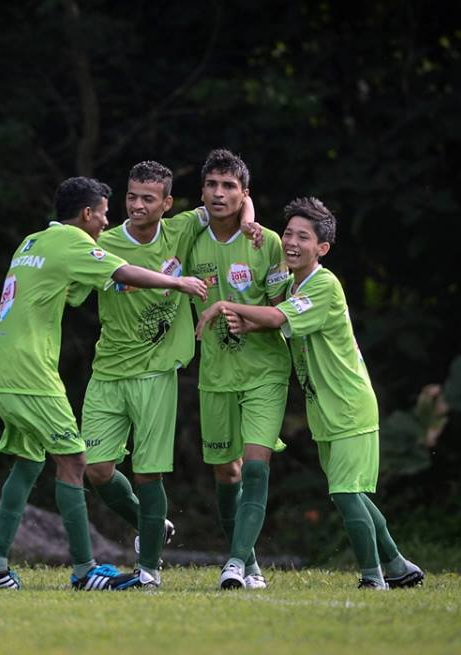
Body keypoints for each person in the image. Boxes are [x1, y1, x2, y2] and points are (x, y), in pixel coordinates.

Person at [0, 176, 208, 591]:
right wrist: (177, 282)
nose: (106, 221)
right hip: (32, 375)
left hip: (3, 369)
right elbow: (121, 268)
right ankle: (84, 570)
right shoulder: (73, 243)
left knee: (28, 464)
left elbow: (35, 293)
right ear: (86, 213)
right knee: (75, 462)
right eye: (103, 212)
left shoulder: (32, 242)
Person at [196, 197, 425, 589]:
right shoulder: (292, 283)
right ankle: (398, 565)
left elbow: (276, 316)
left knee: (347, 494)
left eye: (303, 237)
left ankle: (374, 578)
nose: (291, 242)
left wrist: (221, 304)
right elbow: (273, 313)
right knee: (351, 494)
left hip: (349, 404)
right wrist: (249, 220)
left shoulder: (323, 283)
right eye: (288, 233)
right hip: (324, 407)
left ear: (322, 248)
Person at [79, 160, 258, 588]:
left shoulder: (181, 228)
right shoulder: (103, 243)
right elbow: (61, 282)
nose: (136, 205)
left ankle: (149, 572)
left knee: (148, 471)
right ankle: (152, 524)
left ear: (166, 203)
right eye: (130, 196)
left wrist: (250, 223)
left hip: (158, 372)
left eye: (147, 198)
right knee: (96, 469)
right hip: (107, 370)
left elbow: (237, 199)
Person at [187, 149, 290, 590]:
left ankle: (233, 562)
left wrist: (247, 315)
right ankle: (246, 560)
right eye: (211, 184)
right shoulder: (189, 237)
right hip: (215, 373)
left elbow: (286, 304)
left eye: (229, 186)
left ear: (244, 194)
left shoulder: (265, 242)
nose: (219, 193)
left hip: (265, 370)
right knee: (225, 472)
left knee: (254, 466)